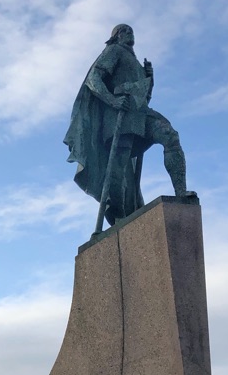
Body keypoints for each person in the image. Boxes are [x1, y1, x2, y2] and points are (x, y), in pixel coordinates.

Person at [63, 24, 196, 227]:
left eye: (131, 31)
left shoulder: (135, 61)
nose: (129, 33)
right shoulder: (113, 51)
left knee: (170, 136)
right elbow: (94, 78)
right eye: (123, 31)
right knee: (119, 167)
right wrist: (112, 100)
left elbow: (145, 98)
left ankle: (181, 193)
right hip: (120, 115)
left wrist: (149, 80)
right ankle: (120, 216)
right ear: (115, 37)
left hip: (139, 113)